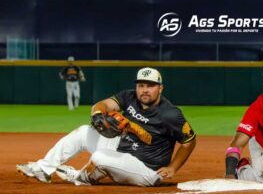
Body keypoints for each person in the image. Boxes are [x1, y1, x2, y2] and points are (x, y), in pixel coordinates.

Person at [17, 67, 196, 186]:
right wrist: (97, 113)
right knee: (83, 132)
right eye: (141, 85)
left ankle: (79, 177)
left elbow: (190, 140)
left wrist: (172, 168)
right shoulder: (129, 96)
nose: (145, 90)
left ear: (160, 88)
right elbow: (103, 104)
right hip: (123, 149)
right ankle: (44, 169)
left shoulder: (170, 114)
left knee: (100, 157)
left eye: (150, 86)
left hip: (147, 169)